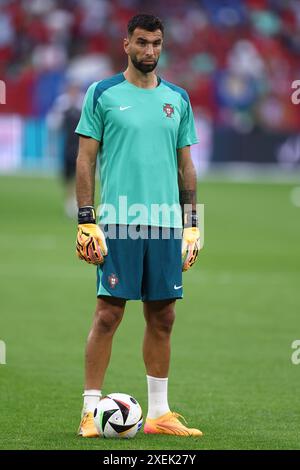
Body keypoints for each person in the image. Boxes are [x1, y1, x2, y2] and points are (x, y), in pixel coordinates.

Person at [75, 14, 202, 437]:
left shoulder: (178, 98)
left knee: (163, 317)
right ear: (125, 43)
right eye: (143, 42)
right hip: (118, 223)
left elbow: (187, 168)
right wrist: (85, 220)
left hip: (166, 226)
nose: (150, 51)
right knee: (109, 313)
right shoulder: (103, 94)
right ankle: (91, 414)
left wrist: (193, 225)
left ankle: (160, 414)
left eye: (157, 44)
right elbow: (85, 160)